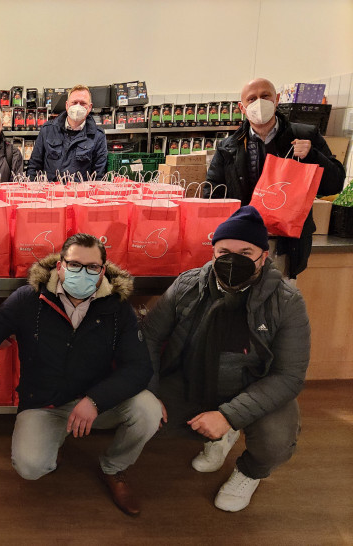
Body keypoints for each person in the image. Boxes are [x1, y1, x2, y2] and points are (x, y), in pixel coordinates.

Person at [0, 234, 162, 517]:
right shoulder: (29, 299)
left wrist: (95, 400)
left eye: (93, 267)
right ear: (60, 266)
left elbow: (139, 367)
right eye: (75, 264)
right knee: (30, 467)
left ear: (103, 270)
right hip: (45, 403)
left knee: (148, 409)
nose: (84, 273)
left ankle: (113, 467)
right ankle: (54, 445)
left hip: (97, 401)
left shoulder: (118, 309)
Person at [143, 206, 310, 512]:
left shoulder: (287, 302)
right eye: (224, 251)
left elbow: (289, 376)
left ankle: (248, 471)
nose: (234, 261)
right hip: (194, 378)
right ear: (213, 253)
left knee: (275, 442)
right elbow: (151, 337)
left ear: (264, 256)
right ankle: (219, 435)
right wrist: (152, 393)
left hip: (255, 386)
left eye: (246, 252)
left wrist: (229, 415)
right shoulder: (187, 285)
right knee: (144, 417)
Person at [206, 78, 345, 278]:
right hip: (242, 244)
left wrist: (313, 156)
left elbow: (335, 183)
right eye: (251, 99)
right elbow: (212, 194)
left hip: (286, 246)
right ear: (242, 107)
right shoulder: (228, 146)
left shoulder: (306, 135)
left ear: (277, 99)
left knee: (282, 302)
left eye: (265, 96)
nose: (259, 103)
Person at [27, 85, 108, 181]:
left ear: (90, 107)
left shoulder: (98, 136)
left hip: (80, 194)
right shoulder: (47, 130)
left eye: (83, 103)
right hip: (51, 193)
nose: (78, 106)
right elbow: (34, 166)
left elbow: (99, 175)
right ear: (67, 105)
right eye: (74, 103)